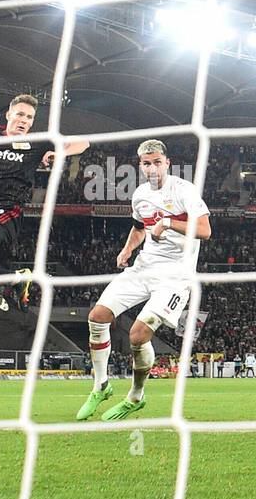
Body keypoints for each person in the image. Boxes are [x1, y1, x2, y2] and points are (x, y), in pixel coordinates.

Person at [76, 139, 211, 421]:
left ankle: (136, 396)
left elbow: (204, 230)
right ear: (141, 165)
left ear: (167, 163)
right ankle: (101, 386)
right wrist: (127, 249)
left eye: (157, 162)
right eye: (146, 163)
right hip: (144, 268)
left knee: (138, 335)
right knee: (97, 316)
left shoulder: (184, 190)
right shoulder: (139, 195)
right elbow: (139, 228)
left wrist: (169, 222)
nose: (152, 168)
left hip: (176, 276)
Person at [0, 95, 88, 313]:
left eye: (29, 117)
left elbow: (83, 143)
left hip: (9, 210)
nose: (24, 120)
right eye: (20, 114)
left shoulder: (39, 142)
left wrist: (60, 150)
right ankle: (16, 280)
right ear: (8, 115)